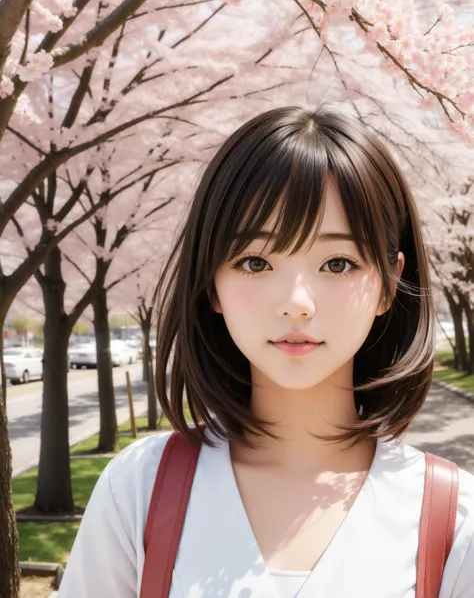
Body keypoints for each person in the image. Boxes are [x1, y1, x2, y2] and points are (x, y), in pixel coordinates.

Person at [58, 105, 474, 598]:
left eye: (338, 263)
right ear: (211, 281)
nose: (296, 303)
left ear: (388, 284)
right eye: (255, 261)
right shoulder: (139, 490)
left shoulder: (450, 518)